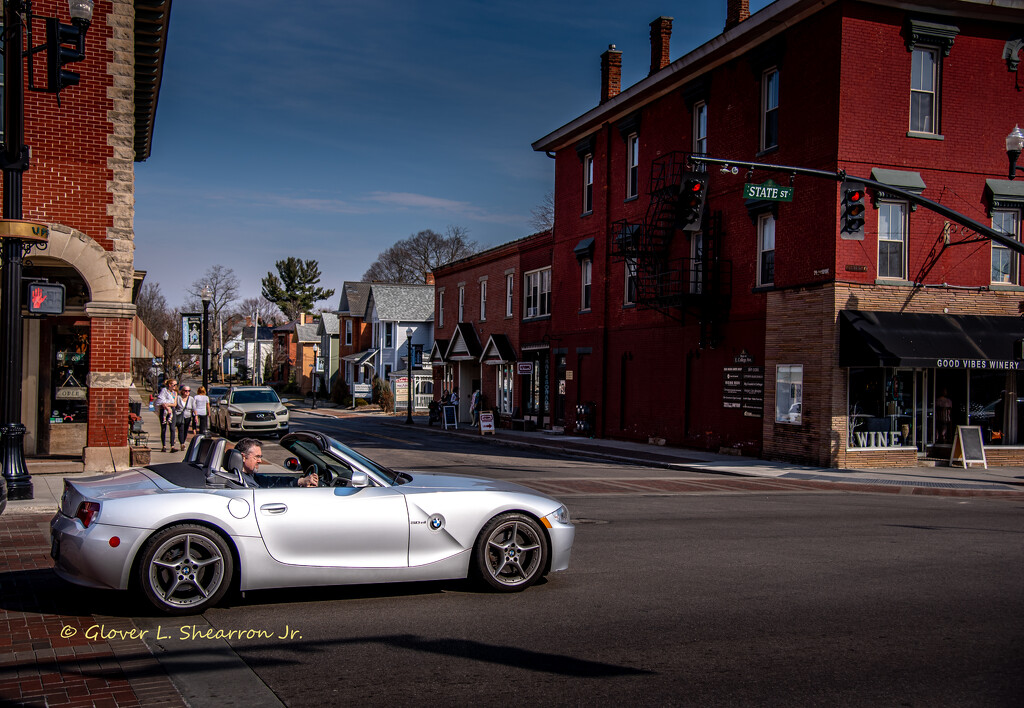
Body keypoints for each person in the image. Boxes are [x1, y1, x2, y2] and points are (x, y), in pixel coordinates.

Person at [234, 438, 318, 487]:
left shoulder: (248, 476)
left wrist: (300, 481)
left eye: (260, 457)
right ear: (243, 457)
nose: (260, 461)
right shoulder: (242, 482)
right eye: (257, 457)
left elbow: (271, 481)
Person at [154, 379, 177, 452]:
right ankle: (163, 446)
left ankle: (172, 446)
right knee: (163, 428)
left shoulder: (175, 393)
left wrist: (168, 405)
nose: (175, 386)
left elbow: (174, 404)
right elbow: (160, 401)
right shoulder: (164, 391)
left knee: (172, 428)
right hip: (163, 411)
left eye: (176, 385)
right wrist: (166, 407)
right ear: (169, 385)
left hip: (172, 411)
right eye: (174, 385)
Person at [173, 385, 196, 452]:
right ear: (182, 391)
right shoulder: (178, 398)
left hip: (188, 416)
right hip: (179, 416)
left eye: (188, 391)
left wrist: (196, 416)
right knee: (181, 430)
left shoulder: (191, 399)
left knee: (185, 430)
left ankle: (183, 441)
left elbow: (194, 408)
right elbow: (175, 406)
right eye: (185, 390)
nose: (187, 392)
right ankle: (182, 443)